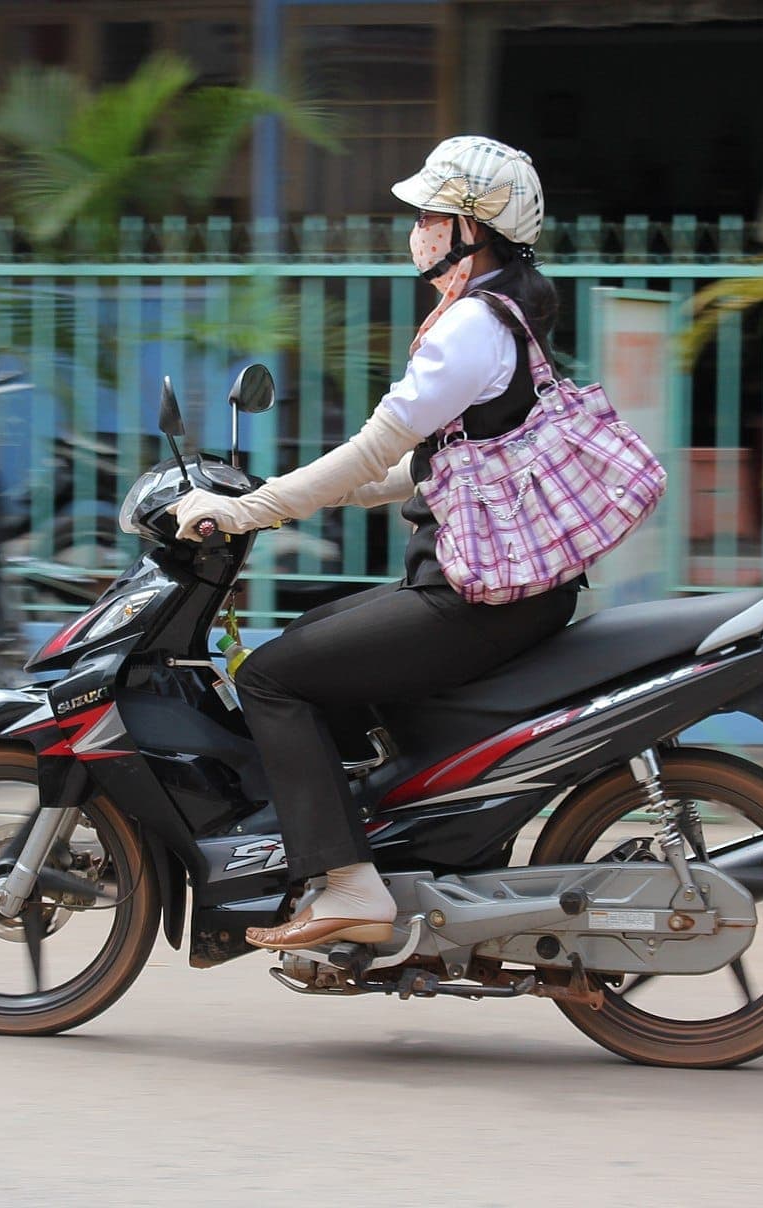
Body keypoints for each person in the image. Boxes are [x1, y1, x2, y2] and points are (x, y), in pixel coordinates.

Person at [172, 136, 581, 953]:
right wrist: (339, 490)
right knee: (325, 629)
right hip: (512, 591)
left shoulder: (470, 323)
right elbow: (450, 460)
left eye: (432, 214)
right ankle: (382, 843)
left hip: (470, 599)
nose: (417, 230)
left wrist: (256, 508)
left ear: (474, 227)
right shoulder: (512, 307)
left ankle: (351, 884)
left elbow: (371, 446)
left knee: (275, 677)